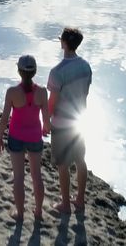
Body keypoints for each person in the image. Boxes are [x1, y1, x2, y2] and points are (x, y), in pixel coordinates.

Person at [0, 54, 50, 223]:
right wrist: (44, 129)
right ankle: (39, 212)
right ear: (35, 71)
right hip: (34, 137)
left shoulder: (12, 92)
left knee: (18, 177)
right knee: (37, 176)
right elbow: (46, 121)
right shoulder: (42, 92)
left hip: (16, 137)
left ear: (19, 71)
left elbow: (5, 118)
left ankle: (20, 215)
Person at [46, 27, 92, 216]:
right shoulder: (86, 66)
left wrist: (45, 121)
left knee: (63, 164)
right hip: (79, 121)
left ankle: (65, 204)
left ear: (63, 43)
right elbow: (85, 93)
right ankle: (79, 200)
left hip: (62, 125)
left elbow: (52, 102)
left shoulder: (57, 72)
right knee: (80, 160)